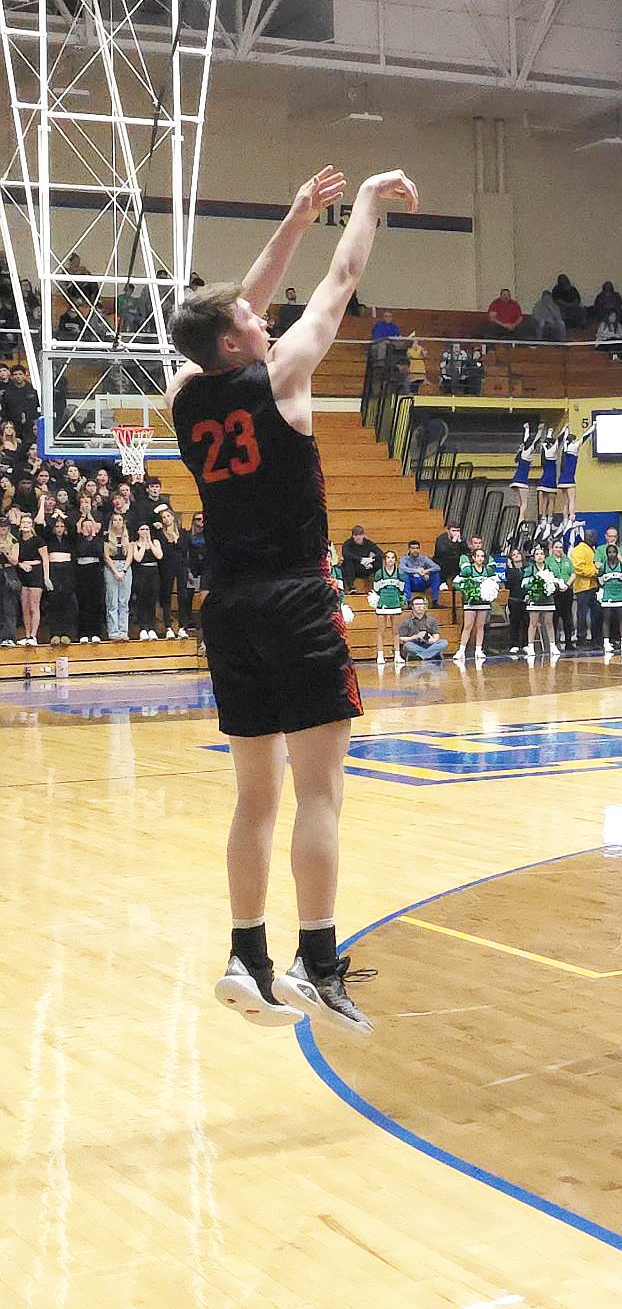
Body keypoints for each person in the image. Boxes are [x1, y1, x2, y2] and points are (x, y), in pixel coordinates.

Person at [167, 161, 417, 1032]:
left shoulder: (182, 394)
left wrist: (294, 214)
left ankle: (246, 953)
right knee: (320, 793)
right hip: (296, 601)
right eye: (250, 320)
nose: (262, 317)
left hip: (226, 608)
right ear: (237, 343)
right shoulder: (283, 379)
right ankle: (317, 962)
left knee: (255, 797)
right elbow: (341, 283)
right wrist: (367, 209)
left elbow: (230, 312)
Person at [453, 545, 497, 663]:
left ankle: (478, 649)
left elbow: (496, 583)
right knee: (468, 626)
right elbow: (456, 582)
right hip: (471, 602)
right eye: (478, 556)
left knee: (480, 626)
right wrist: (466, 590)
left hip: (483, 602)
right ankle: (461, 650)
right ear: (473, 557)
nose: (480, 558)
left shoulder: (488, 570)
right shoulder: (468, 570)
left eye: (482, 556)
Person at [15, 507, 48, 644]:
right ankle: (27, 634)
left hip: (35, 572)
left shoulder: (38, 540)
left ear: (32, 525)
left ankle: (34, 635)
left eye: (28, 523)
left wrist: (46, 577)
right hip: (22, 571)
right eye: (23, 523)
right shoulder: (17, 540)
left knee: (34, 605)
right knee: (25, 606)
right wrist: (21, 565)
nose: (26, 525)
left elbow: (45, 558)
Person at [43, 513, 77, 642]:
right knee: (54, 602)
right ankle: (54, 634)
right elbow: (45, 530)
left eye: (62, 526)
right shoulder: (49, 539)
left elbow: (73, 529)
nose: (59, 528)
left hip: (67, 571)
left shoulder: (69, 540)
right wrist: (53, 517)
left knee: (68, 603)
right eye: (57, 526)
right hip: (53, 570)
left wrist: (64, 516)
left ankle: (66, 634)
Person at [522, 544, 560, 659]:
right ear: (533, 557)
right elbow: (524, 584)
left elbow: (556, 582)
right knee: (533, 623)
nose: (539, 556)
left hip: (548, 600)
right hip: (535, 599)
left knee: (549, 623)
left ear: (545, 556)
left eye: (542, 554)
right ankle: (531, 646)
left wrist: (551, 586)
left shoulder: (550, 568)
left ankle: (552, 646)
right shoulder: (530, 569)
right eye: (537, 554)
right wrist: (534, 585)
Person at [155, 507, 187, 638]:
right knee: (166, 595)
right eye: (164, 517)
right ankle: (168, 626)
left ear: (173, 517)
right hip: (166, 566)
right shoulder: (159, 534)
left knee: (183, 595)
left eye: (168, 516)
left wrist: (176, 540)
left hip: (181, 566)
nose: (166, 519)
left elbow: (184, 549)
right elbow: (163, 553)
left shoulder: (182, 532)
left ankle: (182, 626)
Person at [596, 541, 622, 657]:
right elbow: (600, 581)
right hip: (608, 594)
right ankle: (606, 643)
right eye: (609, 552)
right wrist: (605, 577)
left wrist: (621, 576)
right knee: (606, 619)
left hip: (620, 593)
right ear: (606, 554)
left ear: (617, 553)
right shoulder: (603, 566)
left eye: (614, 552)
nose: (611, 554)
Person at [74, 515, 105, 642]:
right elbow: (80, 551)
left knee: (96, 602)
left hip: (95, 571)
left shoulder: (98, 540)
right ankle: (83, 633)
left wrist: (93, 537)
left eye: (90, 526)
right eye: (85, 526)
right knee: (83, 602)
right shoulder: (78, 540)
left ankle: (96, 632)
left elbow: (98, 552)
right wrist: (86, 538)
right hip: (82, 572)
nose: (88, 528)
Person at [372, 550, 406, 664]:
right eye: (388, 557)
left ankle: (397, 655)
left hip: (395, 603)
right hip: (382, 603)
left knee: (395, 631)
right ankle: (380, 655)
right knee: (381, 630)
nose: (390, 560)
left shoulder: (400, 573)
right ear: (384, 560)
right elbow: (376, 589)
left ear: (395, 560)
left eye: (392, 557)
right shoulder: (379, 573)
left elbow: (401, 590)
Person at [557, 422, 595, 521]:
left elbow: (565, 437)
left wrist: (566, 428)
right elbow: (585, 436)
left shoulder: (565, 448)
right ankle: (572, 517)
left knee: (565, 502)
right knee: (572, 500)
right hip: (570, 480)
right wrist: (594, 426)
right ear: (573, 440)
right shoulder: (574, 447)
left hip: (561, 481)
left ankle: (565, 519)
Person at [571, 527, 600, 648]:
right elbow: (579, 568)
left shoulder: (592, 550)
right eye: (590, 536)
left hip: (594, 586)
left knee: (595, 613)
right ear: (585, 537)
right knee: (582, 614)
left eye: (594, 536)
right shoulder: (579, 550)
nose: (593, 539)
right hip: (583, 587)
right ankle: (581, 639)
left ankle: (595, 639)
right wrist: (595, 570)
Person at [398, 594, 447, 661]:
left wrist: (433, 640)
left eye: (421, 604)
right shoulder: (406, 622)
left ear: (424, 606)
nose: (419, 606)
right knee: (407, 646)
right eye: (417, 604)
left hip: (429, 644)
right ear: (412, 607)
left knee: (444, 642)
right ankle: (431, 654)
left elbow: (436, 635)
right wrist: (415, 637)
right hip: (415, 644)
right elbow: (400, 638)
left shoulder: (431, 620)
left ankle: (422, 656)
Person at [509, 423, 543, 519]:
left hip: (514, 481)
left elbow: (526, 441)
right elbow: (534, 442)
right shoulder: (528, 452)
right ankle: (520, 522)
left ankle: (518, 521)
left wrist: (527, 429)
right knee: (524, 504)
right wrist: (540, 431)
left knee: (519, 505)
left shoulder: (522, 451)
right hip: (522, 481)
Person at [547, 536, 575, 650]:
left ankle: (569, 643)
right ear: (552, 548)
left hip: (567, 592)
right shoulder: (548, 561)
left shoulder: (567, 560)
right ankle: (555, 643)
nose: (559, 549)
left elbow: (573, 573)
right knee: (554, 618)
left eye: (560, 547)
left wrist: (567, 584)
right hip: (555, 592)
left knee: (567, 618)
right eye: (556, 547)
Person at [2, 366, 39, 444]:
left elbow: (37, 407)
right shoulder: (7, 392)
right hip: (14, 425)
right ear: (11, 377)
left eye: (20, 374)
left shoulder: (32, 390)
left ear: (25, 375)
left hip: (30, 425)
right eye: (15, 374)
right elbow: (4, 410)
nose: (18, 377)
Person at [503, 545, 529, 654]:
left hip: (526, 598)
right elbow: (509, 584)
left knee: (526, 621)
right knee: (515, 621)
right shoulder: (509, 571)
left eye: (518, 554)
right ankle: (514, 644)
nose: (516, 556)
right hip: (514, 599)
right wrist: (511, 568)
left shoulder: (527, 569)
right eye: (513, 555)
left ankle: (525, 644)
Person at [399, 539, 441, 606]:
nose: (415, 550)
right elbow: (402, 568)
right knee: (404, 575)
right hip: (411, 583)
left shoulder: (424, 558)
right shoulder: (404, 559)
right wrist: (417, 570)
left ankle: (434, 601)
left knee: (436, 575)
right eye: (413, 548)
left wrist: (426, 571)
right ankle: (408, 602)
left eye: (417, 548)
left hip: (422, 582)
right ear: (409, 549)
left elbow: (437, 567)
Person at [341, 525, 383, 590]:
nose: (358, 537)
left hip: (366, 566)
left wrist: (371, 559)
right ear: (353, 536)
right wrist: (360, 559)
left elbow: (380, 553)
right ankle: (350, 586)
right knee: (348, 561)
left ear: (363, 535)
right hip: (354, 568)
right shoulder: (348, 543)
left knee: (379, 560)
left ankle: (379, 583)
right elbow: (345, 553)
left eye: (360, 535)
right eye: (356, 535)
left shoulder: (368, 543)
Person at [0, 513, 19, 644]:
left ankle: (9, 637)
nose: (3, 529)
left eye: (5, 527)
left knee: (9, 606)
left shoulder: (13, 541)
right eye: (1, 527)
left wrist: (6, 552)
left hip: (8, 571)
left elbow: (15, 561)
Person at [433, 522, 468, 589]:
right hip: (442, 562)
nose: (456, 533)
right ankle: (443, 582)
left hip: (455, 563)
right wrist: (453, 542)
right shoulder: (441, 539)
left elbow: (466, 552)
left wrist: (461, 543)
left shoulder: (461, 539)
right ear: (448, 531)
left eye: (458, 531)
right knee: (446, 561)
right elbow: (443, 552)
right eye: (453, 531)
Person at [536, 428, 560, 522]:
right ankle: (550, 518)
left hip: (544, 478)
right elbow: (559, 441)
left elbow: (547, 442)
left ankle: (543, 518)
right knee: (551, 500)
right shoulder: (552, 452)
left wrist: (549, 432)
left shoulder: (545, 451)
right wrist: (565, 429)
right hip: (551, 479)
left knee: (545, 500)